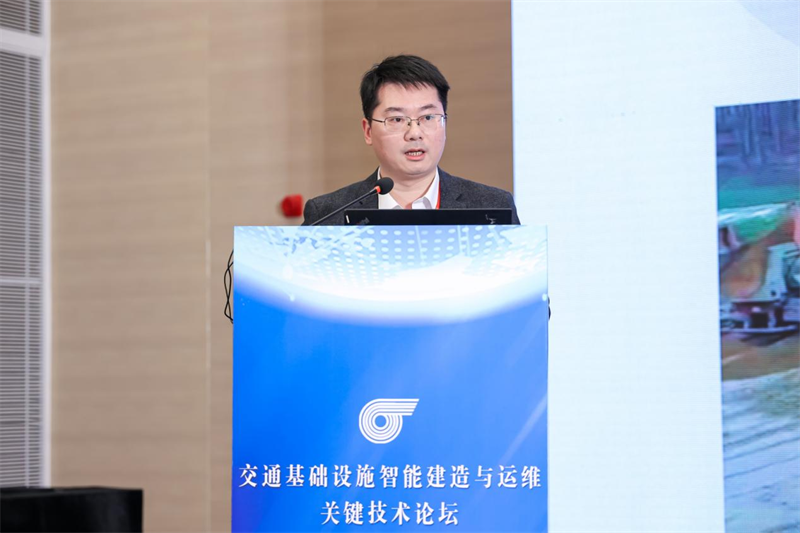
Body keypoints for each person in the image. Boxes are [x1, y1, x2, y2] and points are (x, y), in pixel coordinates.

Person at [302, 55, 520, 225]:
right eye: (397, 119)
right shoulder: (328, 214)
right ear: (368, 131)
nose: (414, 133)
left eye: (428, 117)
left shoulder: (494, 206)